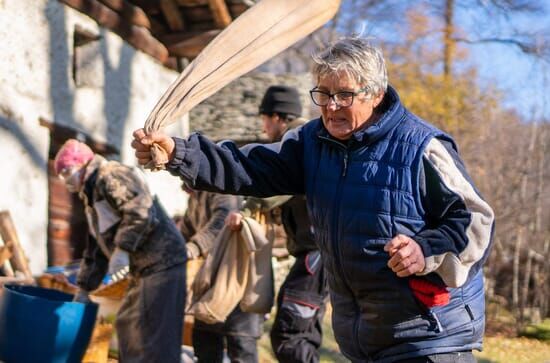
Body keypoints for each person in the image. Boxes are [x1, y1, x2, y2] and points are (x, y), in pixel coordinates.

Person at [132, 36, 495, 362]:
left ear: (377, 94)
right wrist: (179, 153)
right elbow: (248, 166)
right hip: (365, 339)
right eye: (323, 93)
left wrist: (424, 251)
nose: (331, 106)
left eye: (344, 95)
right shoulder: (312, 142)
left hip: (430, 338)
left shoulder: (421, 147)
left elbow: (475, 222)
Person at [54, 139, 186, 363]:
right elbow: (95, 248)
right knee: (127, 324)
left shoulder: (110, 175)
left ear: (82, 164)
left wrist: (123, 249)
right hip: (143, 268)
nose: (65, 181)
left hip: (162, 261)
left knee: (153, 337)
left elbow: (140, 210)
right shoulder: (91, 195)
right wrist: (84, 288)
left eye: (66, 172)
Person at [225, 85, 329, 363]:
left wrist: (248, 209)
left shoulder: (297, 142)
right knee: (301, 335)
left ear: (276, 117)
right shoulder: (306, 138)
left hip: (316, 255)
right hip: (315, 254)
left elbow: (279, 184)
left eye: (264, 119)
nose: (263, 128)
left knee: (289, 335)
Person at [175, 183, 263, 363]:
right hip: (210, 281)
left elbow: (222, 220)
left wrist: (193, 248)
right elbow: (186, 230)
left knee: (240, 345)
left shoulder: (221, 187)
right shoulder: (196, 197)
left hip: (235, 276)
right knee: (205, 342)